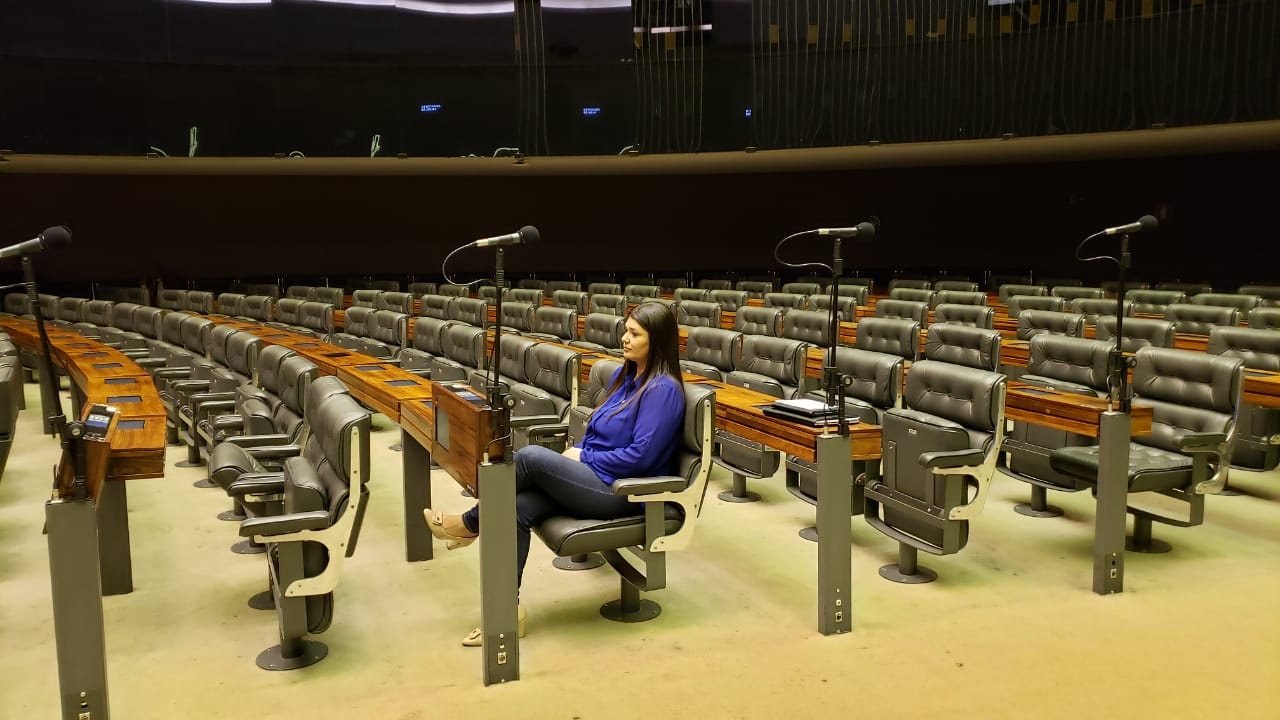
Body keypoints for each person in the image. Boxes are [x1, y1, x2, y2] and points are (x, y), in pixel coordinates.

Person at [424, 301, 686, 645]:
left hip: (624, 493)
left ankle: (470, 524)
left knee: (530, 457)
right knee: (516, 508)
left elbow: (641, 456)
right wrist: (582, 456)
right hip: (600, 479)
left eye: (634, 333)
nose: (624, 338)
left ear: (658, 341)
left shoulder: (663, 390)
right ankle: (505, 613)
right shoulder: (630, 378)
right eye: (625, 330)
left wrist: (584, 457)